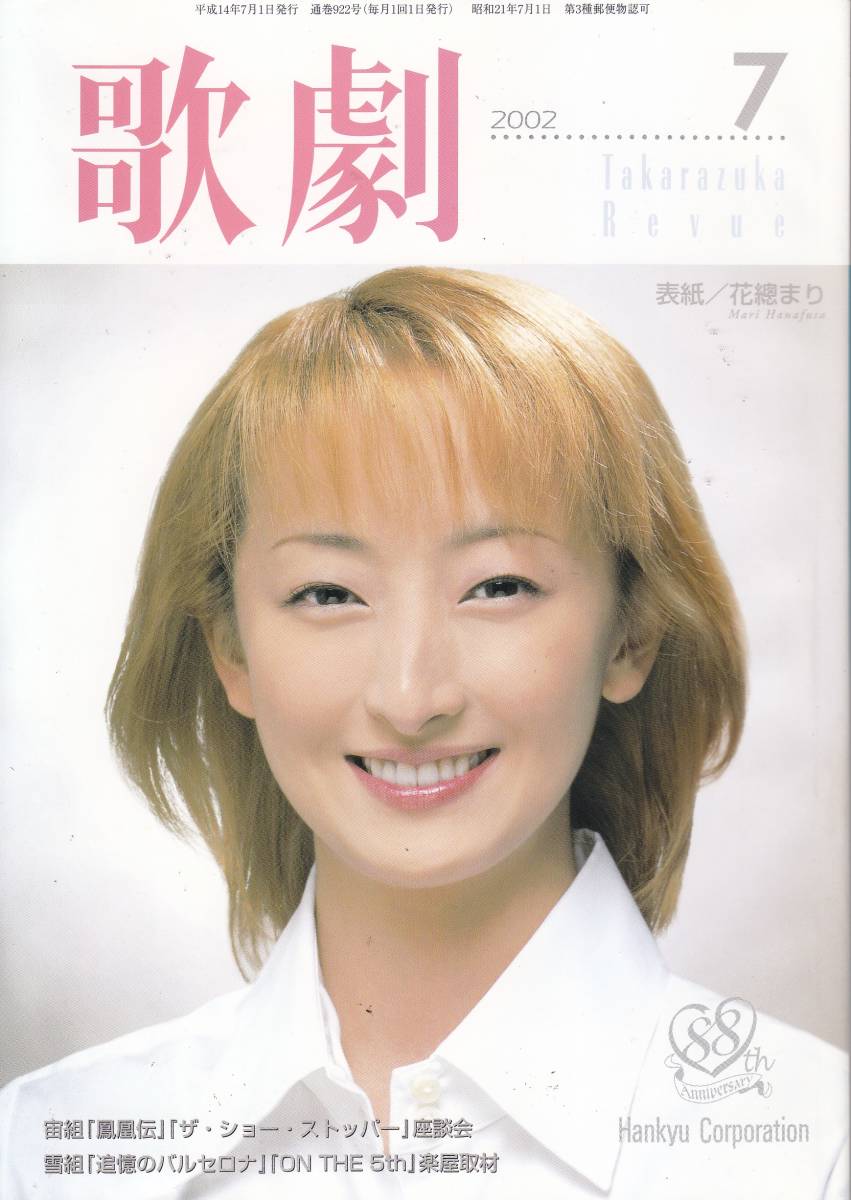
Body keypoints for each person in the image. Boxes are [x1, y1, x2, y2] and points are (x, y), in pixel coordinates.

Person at [0, 267, 846, 1197]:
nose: (410, 698)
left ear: (631, 632)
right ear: (230, 650)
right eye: (328, 594)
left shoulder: (814, 1152)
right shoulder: (39, 1154)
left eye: (497, 587)